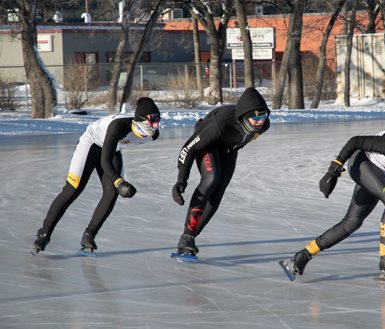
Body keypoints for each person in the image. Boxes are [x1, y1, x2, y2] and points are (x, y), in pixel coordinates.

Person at [282, 115, 385, 279]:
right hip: (361, 164)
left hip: (376, 173)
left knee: (352, 222)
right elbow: (355, 141)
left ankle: (301, 256)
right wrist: (333, 169)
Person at [32, 97, 161, 254]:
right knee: (73, 189)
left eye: (157, 120)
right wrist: (119, 181)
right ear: (140, 120)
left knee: (111, 193)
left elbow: (112, 152)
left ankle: (89, 235)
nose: (156, 125)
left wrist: (117, 184)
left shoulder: (153, 135)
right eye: (152, 121)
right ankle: (44, 233)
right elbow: (105, 160)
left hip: (113, 149)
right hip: (91, 143)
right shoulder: (118, 126)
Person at [172, 87, 271, 257]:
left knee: (218, 192)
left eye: (262, 116)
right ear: (243, 117)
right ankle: (187, 235)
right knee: (211, 178)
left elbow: (243, 136)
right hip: (208, 141)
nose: (259, 122)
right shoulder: (220, 124)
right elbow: (188, 148)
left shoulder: (263, 125)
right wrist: (181, 180)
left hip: (229, 148)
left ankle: (188, 238)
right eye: (255, 117)